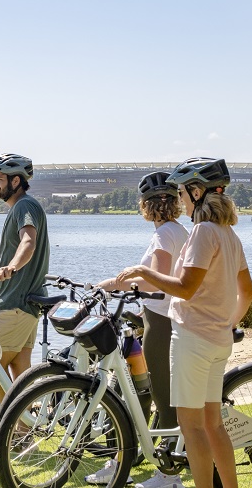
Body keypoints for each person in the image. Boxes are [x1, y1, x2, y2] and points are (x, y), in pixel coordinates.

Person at [116, 157, 252, 488]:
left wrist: (143, 271)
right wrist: (228, 324)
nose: (179, 200)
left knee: (191, 427)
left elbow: (185, 288)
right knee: (212, 424)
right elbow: (247, 293)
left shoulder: (203, 232)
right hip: (217, 341)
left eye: (181, 192)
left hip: (192, 340)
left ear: (196, 192)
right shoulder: (229, 234)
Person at [85, 172, 189, 486]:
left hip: (161, 323)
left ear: (145, 206)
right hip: (159, 319)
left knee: (162, 397)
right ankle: (120, 462)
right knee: (135, 393)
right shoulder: (179, 231)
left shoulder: (164, 235)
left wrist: (109, 284)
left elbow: (153, 280)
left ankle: (168, 477)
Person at [0, 153, 50, 449]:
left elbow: (28, 241)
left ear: (16, 180)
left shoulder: (24, 206)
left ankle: (4, 432)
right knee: (19, 370)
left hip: (14, 303)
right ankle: (23, 434)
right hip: (28, 304)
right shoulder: (24, 206)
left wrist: (12, 266)